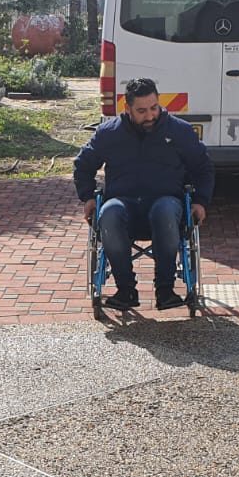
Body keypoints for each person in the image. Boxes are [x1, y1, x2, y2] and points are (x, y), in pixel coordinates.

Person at [73, 78, 214, 311]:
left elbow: (203, 167)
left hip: (166, 203)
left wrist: (200, 201)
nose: (150, 116)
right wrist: (88, 197)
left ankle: (165, 290)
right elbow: (83, 165)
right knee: (109, 213)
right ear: (127, 108)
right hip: (123, 203)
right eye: (142, 111)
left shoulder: (179, 131)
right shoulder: (109, 133)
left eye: (154, 108)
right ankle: (125, 290)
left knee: (164, 211)